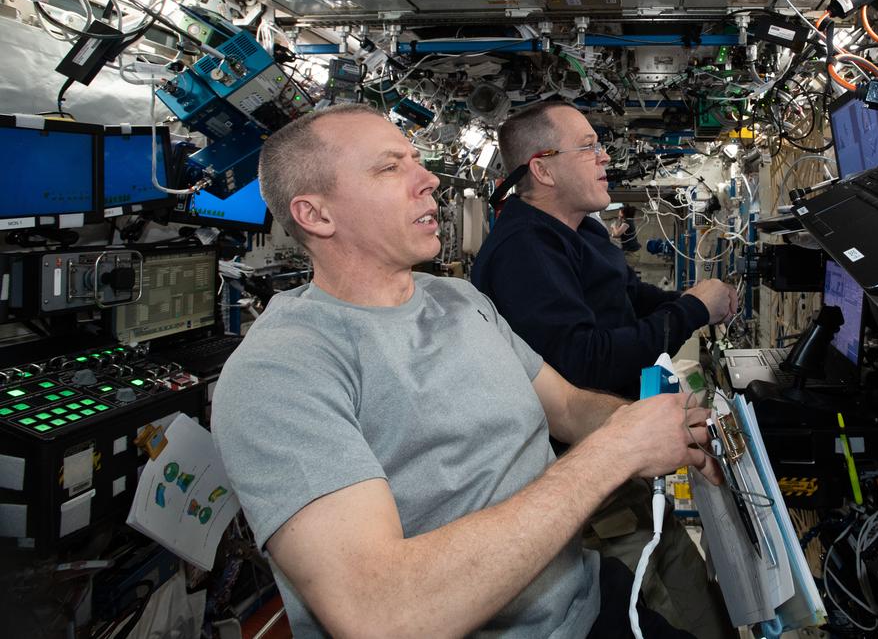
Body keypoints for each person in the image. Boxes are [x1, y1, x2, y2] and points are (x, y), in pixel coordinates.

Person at [211, 104, 721, 638]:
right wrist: (615, 452)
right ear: (316, 215)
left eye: (417, 160)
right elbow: (380, 613)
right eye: (390, 168)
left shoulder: (457, 298)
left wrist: (660, 425)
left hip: (586, 599)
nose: (428, 179)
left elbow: (568, 406)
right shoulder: (280, 371)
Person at [472, 101, 739, 399]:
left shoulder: (584, 229)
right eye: (588, 148)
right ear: (543, 170)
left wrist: (695, 299)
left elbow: (630, 297)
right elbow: (587, 364)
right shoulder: (523, 251)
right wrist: (693, 310)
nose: (605, 157)